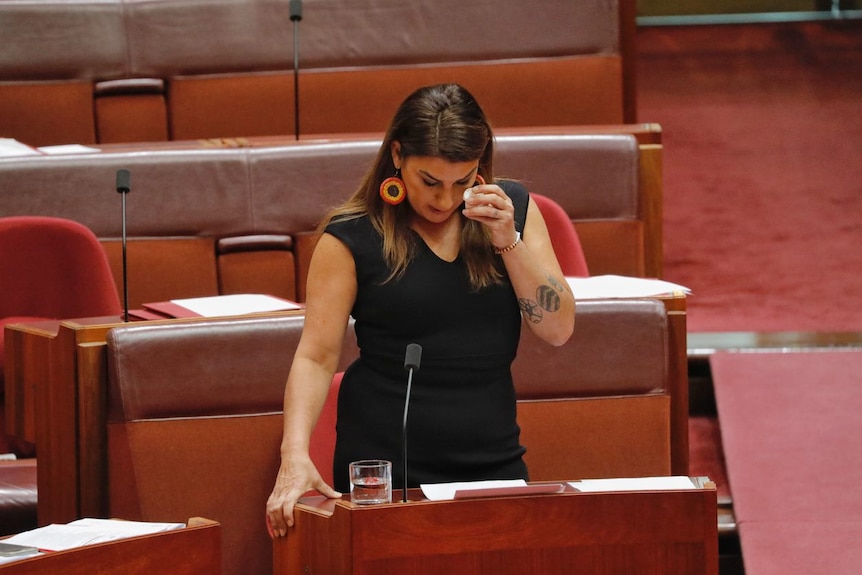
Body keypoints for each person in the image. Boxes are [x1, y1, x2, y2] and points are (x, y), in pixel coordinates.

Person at [266, 83, 575, 536]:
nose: (445, 200)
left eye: (462, 181)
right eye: (429, 182)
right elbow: (316, 356)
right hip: (385, 467)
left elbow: (558, 328)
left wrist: (508, 239)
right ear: (397, 155)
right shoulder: (350, 236)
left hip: (491, 454)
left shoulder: (513, 213)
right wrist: (294, 455)